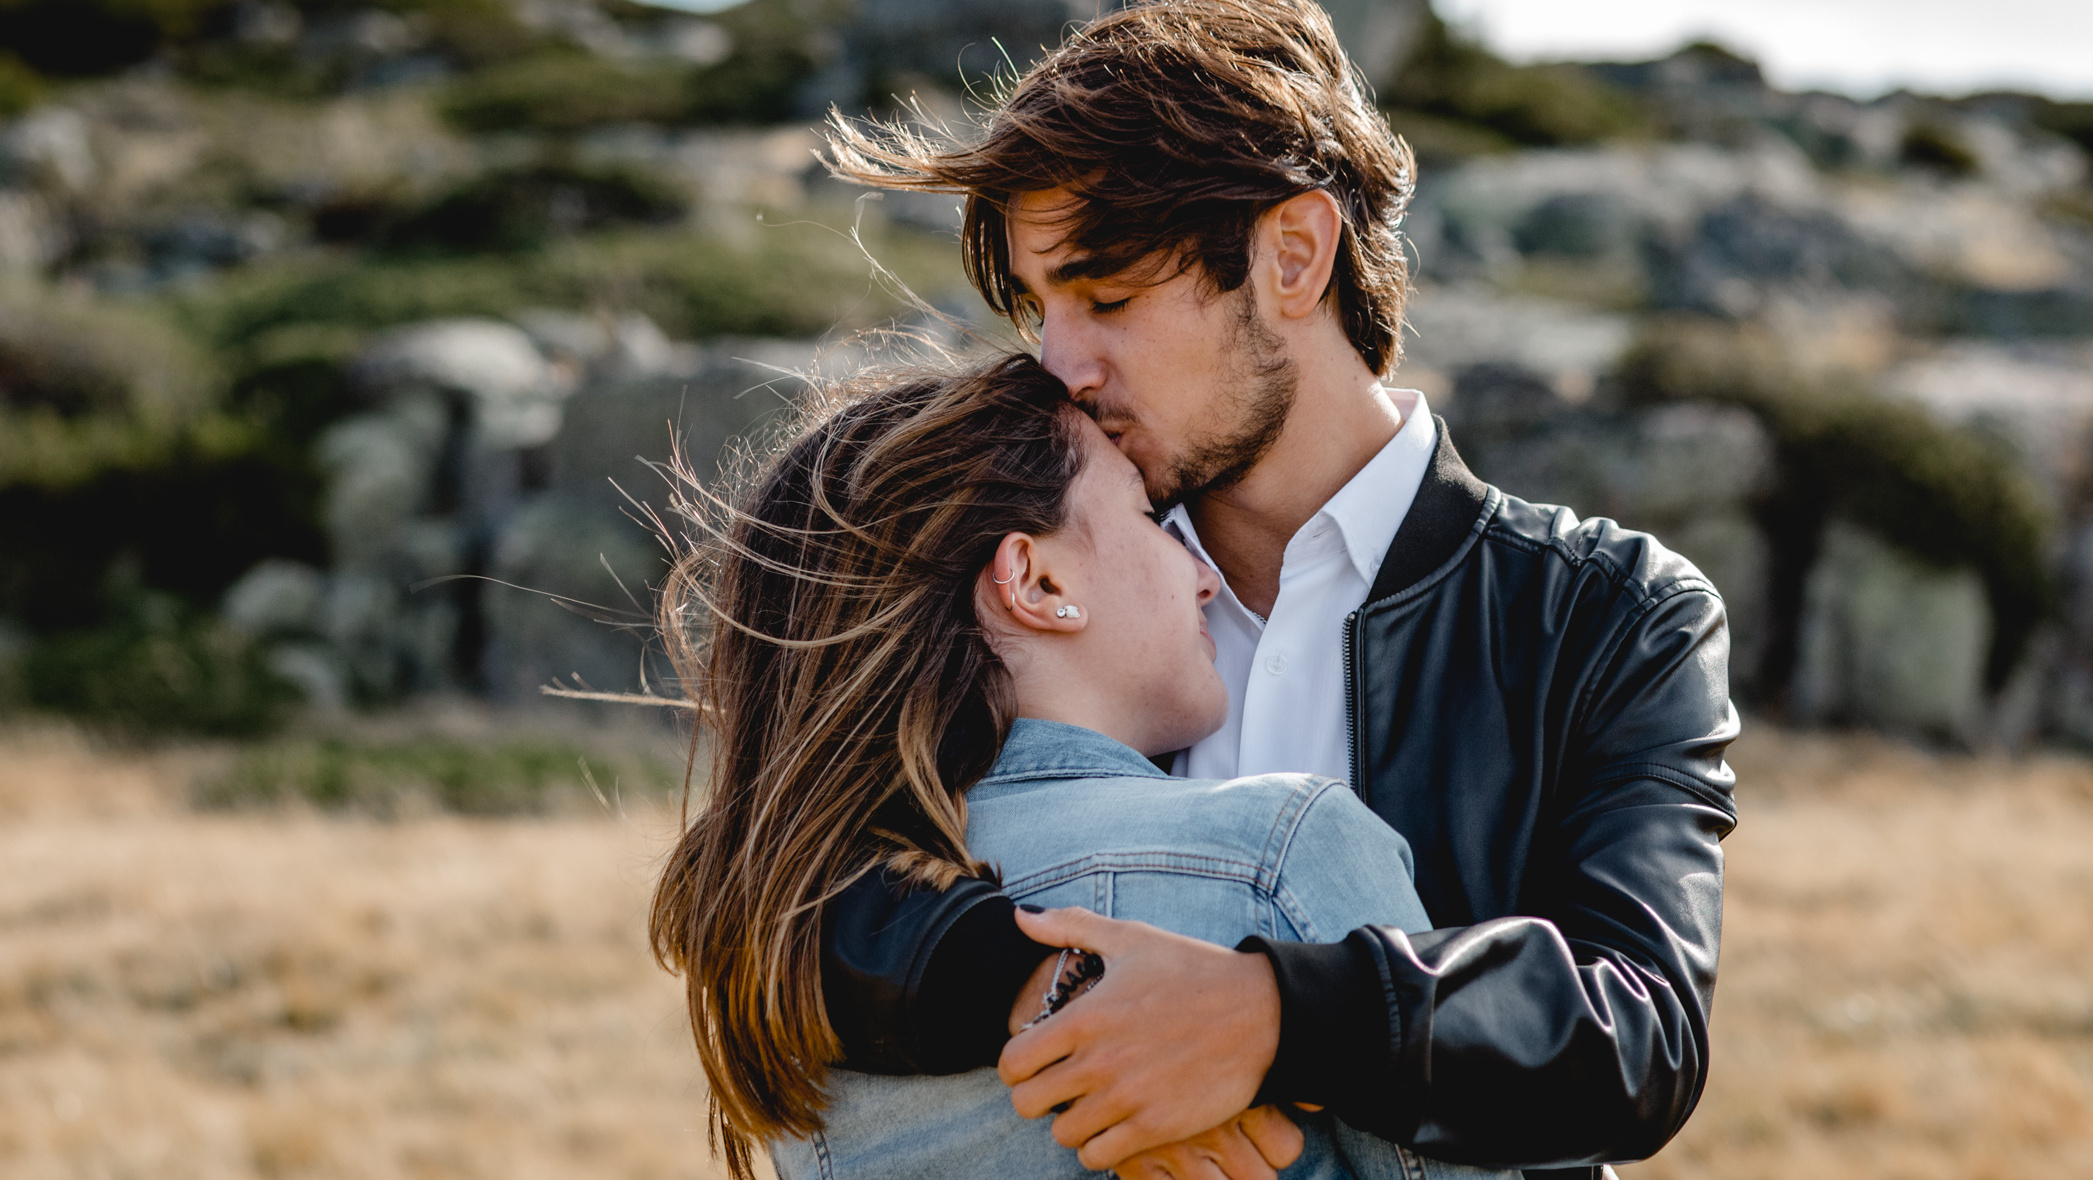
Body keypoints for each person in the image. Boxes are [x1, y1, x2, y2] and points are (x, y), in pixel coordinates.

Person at [811, 2, 1740, 1178]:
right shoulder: (1038, 578)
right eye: (1040, 310)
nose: (1060, 365)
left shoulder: (1611, 614)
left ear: (1292, 256)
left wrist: (1267, 1017)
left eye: (1107, 296)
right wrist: (1072, 998)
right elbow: (791, 903)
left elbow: (1637, 1032)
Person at [646, 355, 1517, 1180]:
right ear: (1038, 583)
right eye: (1151, 519)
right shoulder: (1279, 855)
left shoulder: (784, 949)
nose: (1205, 576)